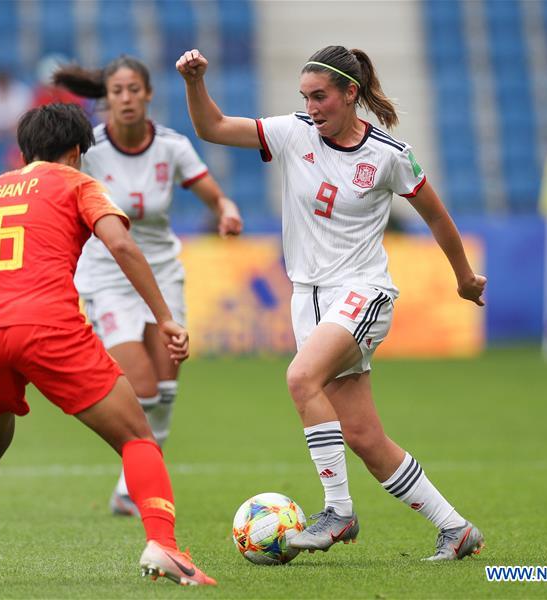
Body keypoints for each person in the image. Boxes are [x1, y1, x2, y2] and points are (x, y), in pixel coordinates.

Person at [176, 47, 487, 560]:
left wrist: (464, 278)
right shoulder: (292, 132)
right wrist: (194, 82)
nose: (311, 107)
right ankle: (455, 529)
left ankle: (338, 512)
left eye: (320, 96)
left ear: (350, 93)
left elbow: (436, 215)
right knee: (364, 437)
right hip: (309, 300)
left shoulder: (389, 154)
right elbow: (212, 127)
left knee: (301, 379)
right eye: (305, 97)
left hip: (363, 291)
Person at [0, 103, 215, 587]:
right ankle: (163, 545)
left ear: (24, 151)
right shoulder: (78, 183)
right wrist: (164, 318)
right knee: (137, 437)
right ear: (77, 151)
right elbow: (121, 244)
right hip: (47, 327)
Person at [52, 56, 243, 516]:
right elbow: (53, 183)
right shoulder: (89, 148)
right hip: (106, 276)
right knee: (143, 388)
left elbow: (214, 194)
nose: (126, 98)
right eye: (117, 91)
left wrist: (226, 210)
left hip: (161, 275)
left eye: (134, 89)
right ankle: (142, 485)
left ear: (149, 94)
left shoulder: (173, 146)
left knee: (165, 390)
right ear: (107, 97)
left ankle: (127, 489)